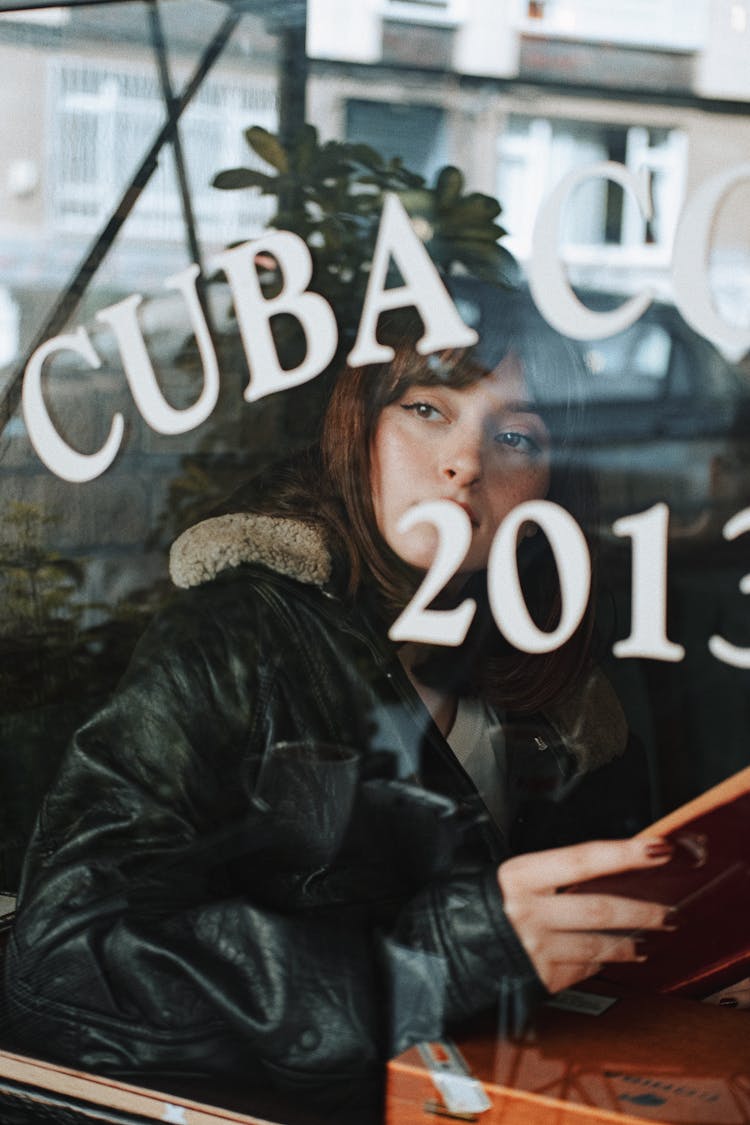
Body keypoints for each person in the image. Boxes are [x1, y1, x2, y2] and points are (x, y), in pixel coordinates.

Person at [2, 283, 671, 1123]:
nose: (465, 461)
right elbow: (61, 965)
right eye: (427, 407)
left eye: (513, 435)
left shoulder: (564, 695)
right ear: (360, 431)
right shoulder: (237, 638)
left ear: (549, 489)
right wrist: (440, 961)